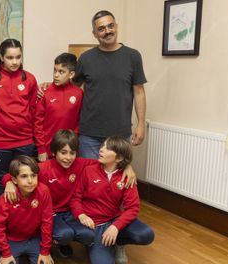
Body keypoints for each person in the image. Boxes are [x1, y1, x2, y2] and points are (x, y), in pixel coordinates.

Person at [3, 130, 136, 259]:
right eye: (63, 153)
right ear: (54, 152)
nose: (68, 158)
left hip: (71, 211)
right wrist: (9, 182)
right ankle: (59, 243)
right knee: (64, 234)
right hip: (51, 212)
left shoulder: (82, 164)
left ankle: (72, 241)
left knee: (89, 235)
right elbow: (15, 175)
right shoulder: (44, 168)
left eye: (72, 153)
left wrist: (127, 167)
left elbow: (112, 164)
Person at [38, 10, 147, 160]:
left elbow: (139, 91)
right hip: (89, 136)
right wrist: (50, 84)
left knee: (117, 180)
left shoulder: (133, 56)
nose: (107, 31)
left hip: (119, 133)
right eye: (101, 29)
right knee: (90, 179)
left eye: (110, 26)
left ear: (116, 26)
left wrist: (141, 124)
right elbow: (71, 84)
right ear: (94, 33)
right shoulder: (86, 58)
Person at [70, 136, 154, 264]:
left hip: (114, 220)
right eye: (102, 146)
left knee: (146, 234)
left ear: (119, 158)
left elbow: (133, 208)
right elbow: (75, 199)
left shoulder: (126, 176)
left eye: (107, 148)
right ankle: (93, 243)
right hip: (95, 225)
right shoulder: (88, 170)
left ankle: (117, 242)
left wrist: (115, 226)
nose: (101, 149)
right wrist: (82, 215)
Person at [0, 39, 38, 201]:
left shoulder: (30, 79)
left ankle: (22, 223)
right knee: (0, 182)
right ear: (1, 57)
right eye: (10, 58)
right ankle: (1, 223)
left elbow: (33, 111)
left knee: (26, 182)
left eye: (18, 57)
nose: (15, 62)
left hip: (24, 142)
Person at [0, 156, 54, 264]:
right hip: (11, 240)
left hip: (34, 238)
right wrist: (5, 253)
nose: (30, 181)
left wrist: (45, 251)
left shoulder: (43, 191)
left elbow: (47, 222)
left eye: (33, 176)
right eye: (24, 176)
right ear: (14, 180)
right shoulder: (6, 197)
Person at [34, 53, 83, 162]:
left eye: (61, 72)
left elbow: (79, 121)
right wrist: (41, 149)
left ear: (71, 74)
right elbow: (38, 124)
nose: (56, 75)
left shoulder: (78, 93)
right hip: (47, 149)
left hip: (68, 149)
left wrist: (73, 144)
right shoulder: (44, 92)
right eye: (55, 70)